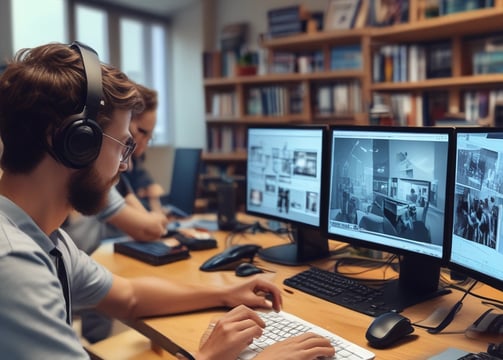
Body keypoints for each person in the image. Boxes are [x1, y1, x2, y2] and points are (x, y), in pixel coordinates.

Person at [0, 41, 335, 359]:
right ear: (77, 142)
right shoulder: (14, 266)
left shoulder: (45, 238)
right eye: (123, 145)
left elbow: (129, 298)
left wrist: (224, 294)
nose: (126, 164)